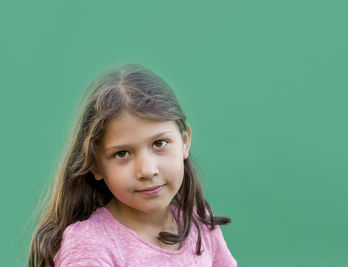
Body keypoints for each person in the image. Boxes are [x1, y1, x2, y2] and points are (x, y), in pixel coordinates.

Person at [28, 64, 237, 267]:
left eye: (159, 143)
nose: (147, 170)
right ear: (95, 165)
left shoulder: (200, 223)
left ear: (184, 141)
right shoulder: (90, 245)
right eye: (122, 153)